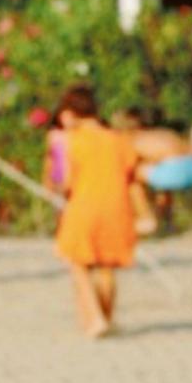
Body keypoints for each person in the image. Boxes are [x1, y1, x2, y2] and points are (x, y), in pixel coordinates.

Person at [54, 85, 140, 339]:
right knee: (106, 266)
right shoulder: (118, 140)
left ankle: (94, 318)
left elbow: (69, 180)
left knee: (78, 263)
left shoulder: (75, 141)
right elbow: (131, 175)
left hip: (85, 205)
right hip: (116, 206)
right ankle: (107, 316)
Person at [109, 109, 192, 236]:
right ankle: (166, 215)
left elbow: (126, 167)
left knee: (132, 176)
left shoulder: (133, 141)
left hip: (176, 171)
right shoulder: (161, 133)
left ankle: (146, 217)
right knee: (155, 171)